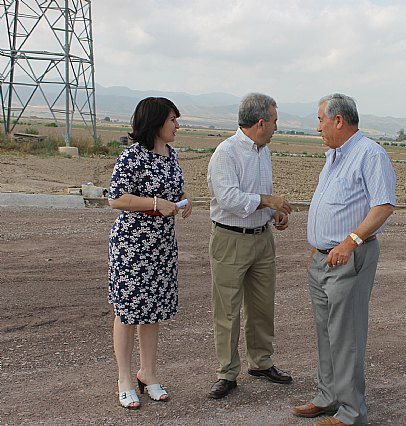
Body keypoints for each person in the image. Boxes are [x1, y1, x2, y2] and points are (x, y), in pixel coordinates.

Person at [292, 94, 396, 426]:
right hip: (324, 259)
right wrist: (319, 246)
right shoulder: (335, 156)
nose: (317, 126)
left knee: (346, 335)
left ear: (339, 121)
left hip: (348, 258)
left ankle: (351, 413)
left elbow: (382, 206)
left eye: (320, 119)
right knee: (326, 332)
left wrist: (350, 242)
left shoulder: (370, 154)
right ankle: (328, 397)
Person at [206, 92, 293, 400]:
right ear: (260, 123)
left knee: (261, 306)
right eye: (274, 121)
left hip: (261, 239)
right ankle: (227, 372)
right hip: (230, 238)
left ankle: (261, 362)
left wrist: (274, 214)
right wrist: (268, 201)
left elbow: (259, 196)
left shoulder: (262, 151)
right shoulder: (226, 153)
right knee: (227, 310)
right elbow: (229, 199)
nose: (276, 128)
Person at [108, 97, 192, 409]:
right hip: (133, 246)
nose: (177, 125)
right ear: (155, 122)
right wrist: (157, 204)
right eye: (173, 119)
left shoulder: (172, 155)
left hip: (161, 245)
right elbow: (116, 199)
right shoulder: (133, 156)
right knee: (128, 312)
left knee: (153, 309)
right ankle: (125, 378)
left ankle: (148, 373)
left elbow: (175, 189)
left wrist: (185, 198)